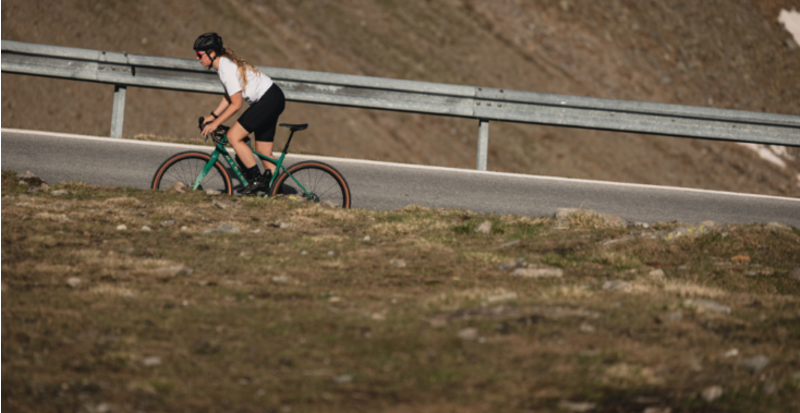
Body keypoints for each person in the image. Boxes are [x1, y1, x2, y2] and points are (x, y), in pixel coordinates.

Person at [194, 33, 286, 196]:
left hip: (269, 100)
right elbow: (229, 95)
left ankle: (257, 180)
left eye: (199, 54)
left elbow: (237, 104)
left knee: (233, 136)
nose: (197, 58)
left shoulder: (225, 68)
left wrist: (215, 124)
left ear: (212, 53)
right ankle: (276, 194)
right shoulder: (223, 66)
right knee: (264, 154)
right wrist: (213, 116)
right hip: (272, 98)